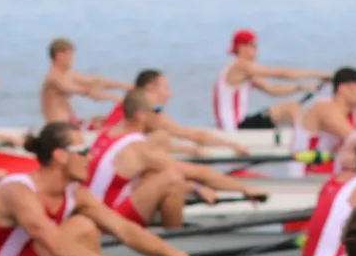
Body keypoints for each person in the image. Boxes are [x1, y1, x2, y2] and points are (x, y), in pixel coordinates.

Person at [0, 122, 212, 256]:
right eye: (82, 151)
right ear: (61, 156)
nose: (91, 158)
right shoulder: (18, 192)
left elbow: (126, 230)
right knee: (82, 227)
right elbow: (59, 248)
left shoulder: (77, 195)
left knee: (86, 225)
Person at [88, 89, 258, 230]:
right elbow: (198, 172)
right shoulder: (140, 149)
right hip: (110, 223)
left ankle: (169, 235)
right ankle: (175, 242)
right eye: (157, 110)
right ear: (141, 114)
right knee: (173, 179)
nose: (162, 115)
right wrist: (244, 188)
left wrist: (195, 187)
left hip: (94, 214)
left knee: (158, 175)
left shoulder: (107, 133)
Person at [214, 30, 327, 131]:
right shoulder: (241, 66)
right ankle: (304, 144)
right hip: (235, 128)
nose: (257, 50)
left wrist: (301, 87)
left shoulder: (243, 72)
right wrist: (320, 74)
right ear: (241, 47)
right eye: (254, 46)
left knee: (293, 106)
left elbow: (272, 89)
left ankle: (302, 138)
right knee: (290, 108)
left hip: (239, 123)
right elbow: (282, 74)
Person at [290, 69, 356, 176]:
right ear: (343, 88)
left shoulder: (355, 113)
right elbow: (354, 139)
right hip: (305, 175)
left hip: (328, 173)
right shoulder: (324, 108)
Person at [39, 38, 126, 127]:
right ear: (60, 56)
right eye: (70, 55)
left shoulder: (67, 73)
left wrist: (122, 85)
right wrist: (117, 99)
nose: (73, 59)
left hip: (70, 121)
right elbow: (86, 91)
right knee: (106, 124)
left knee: (102, 120)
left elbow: (94, 81)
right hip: (58, 126)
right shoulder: (54, 78)